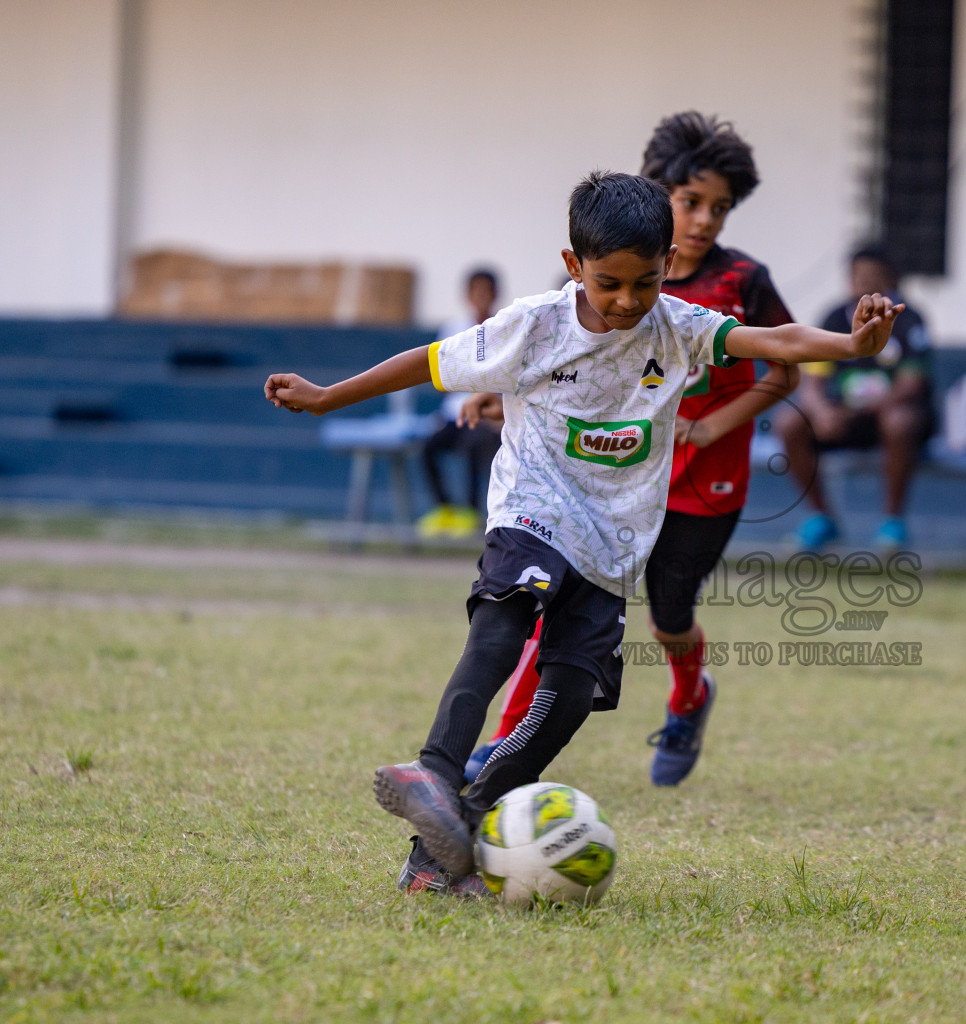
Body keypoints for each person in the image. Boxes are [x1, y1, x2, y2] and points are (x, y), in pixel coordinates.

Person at [264, 171, 902, 891]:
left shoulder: (680, 326)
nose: (628, 301)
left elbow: (774, 338)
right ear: (574, 266)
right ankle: (436, 772)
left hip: (615, 543)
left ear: (667, 265)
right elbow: (431, 363)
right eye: (609, 284)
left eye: (646, 282)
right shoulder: (533, 324)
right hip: (533, 511)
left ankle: (453, 838)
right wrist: (328, 397)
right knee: (504, 623)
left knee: (569, 695)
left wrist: (852, 348)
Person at [461, 111, 800, 788]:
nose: (704, 220)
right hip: (603, 478)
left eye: (720, 209)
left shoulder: (743, 282)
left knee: (669, 615)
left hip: (702, 480)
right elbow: (562, 364)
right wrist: (503, 398)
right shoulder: (616, 271)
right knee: (551, 598)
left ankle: (687, 699)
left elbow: (785, 371)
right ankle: (501, 744)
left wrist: (710, 427)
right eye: (691, 203)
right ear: (658, 194)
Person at [774, 246, 933, 550]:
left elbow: (910, 385)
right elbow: (813, 383)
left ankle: (892, 524)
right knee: (789, 422)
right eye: (858, 277)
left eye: (874, 277)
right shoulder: (834, 318)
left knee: (898, 421)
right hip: (845, 420)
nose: (864, 284)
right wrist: (821, 412)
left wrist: (854, 412)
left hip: (896, 422)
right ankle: (821, 519)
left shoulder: (909, 319)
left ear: (891, 280)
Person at [417, 268, 503, 539]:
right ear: (467, 295)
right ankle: (445, 510)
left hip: (489, 416)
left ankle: (471, 512)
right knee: (428, 447)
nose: (480, 297)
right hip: (456, 415)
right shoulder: (453, 330)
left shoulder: (504, 328)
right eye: (475, 292)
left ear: (495, 295)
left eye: (485, 292)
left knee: (476, 445)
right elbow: (443, 378)